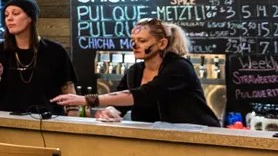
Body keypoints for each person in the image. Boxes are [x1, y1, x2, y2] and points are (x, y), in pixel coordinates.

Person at [52, 19, 220, 126]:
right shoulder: (135, 72)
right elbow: (120, 103)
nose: (134, 45)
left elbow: (145, 94)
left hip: (196, 135)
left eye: (142, 41)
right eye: (133, 40)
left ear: (162, 43)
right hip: (156, 139)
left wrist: (87, 99)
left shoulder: (178, 67)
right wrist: (111, 110)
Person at [0, 0, 77, 112]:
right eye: (6, 15)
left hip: (48, 118)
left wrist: (73, 117)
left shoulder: (55, 51)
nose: (9, 18)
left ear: (30, 18)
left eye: (15, 13)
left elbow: (68, 91)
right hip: (8, 118)